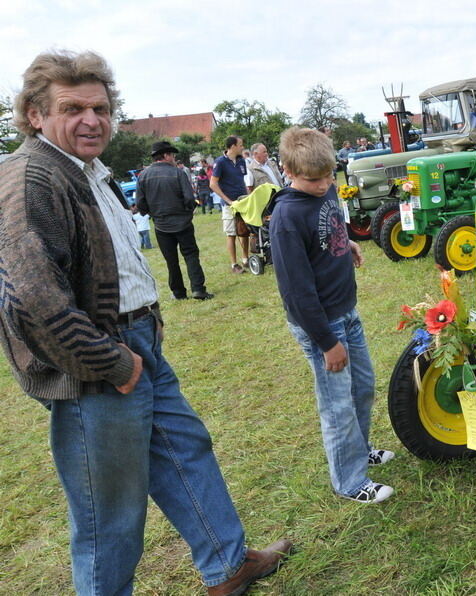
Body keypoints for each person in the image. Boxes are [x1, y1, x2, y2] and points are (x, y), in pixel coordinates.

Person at [0, 50, 290, 596]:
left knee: (185, 451)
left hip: (136, 342)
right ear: (35, 115)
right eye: (73, 108)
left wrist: (142, 334)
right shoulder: (30, 176)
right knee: (109, 513)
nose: (93, 119)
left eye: (101, 107)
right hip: (100, 362)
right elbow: (33, 301)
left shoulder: (84, 170)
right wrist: (112, 361)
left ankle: (227, 565)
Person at [269, 126, 395, 504]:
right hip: (322, 325)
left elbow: (330, 227)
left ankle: (360, 449)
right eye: (313, 179)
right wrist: (327, 342)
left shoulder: (326, 189)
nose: (324, 184)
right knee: (337, 405)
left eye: (329, 175)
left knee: (363, 387)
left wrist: (348, 243)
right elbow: (295, 292)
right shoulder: (286, 217)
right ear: (288, 170)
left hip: (347, 312)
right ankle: (349, 480)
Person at [136, 140, 214, 301]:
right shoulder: (178, 173)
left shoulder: (143, 176)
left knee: (171, 261)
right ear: (165, 155)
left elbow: (141, 205)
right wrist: (187, 212)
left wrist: (154, 213)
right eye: (172, 155)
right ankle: (198, 289)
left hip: (161, 224)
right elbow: (189, 198)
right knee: (191, 255)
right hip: (183, 222)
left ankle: (178, 292)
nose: (173, 158)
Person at [210, 136, 250, 273]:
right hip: (229, 205)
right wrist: (228, 201)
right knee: (231, 233)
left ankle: (246, 259)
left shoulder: (241, 161)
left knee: (244, 231)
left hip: (243, 202)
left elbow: (242, 181)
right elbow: (213, 184)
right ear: (232, 146)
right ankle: (234, 264)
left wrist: (247, 196)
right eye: (240, 145)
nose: (242, 147)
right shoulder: (220, 162)